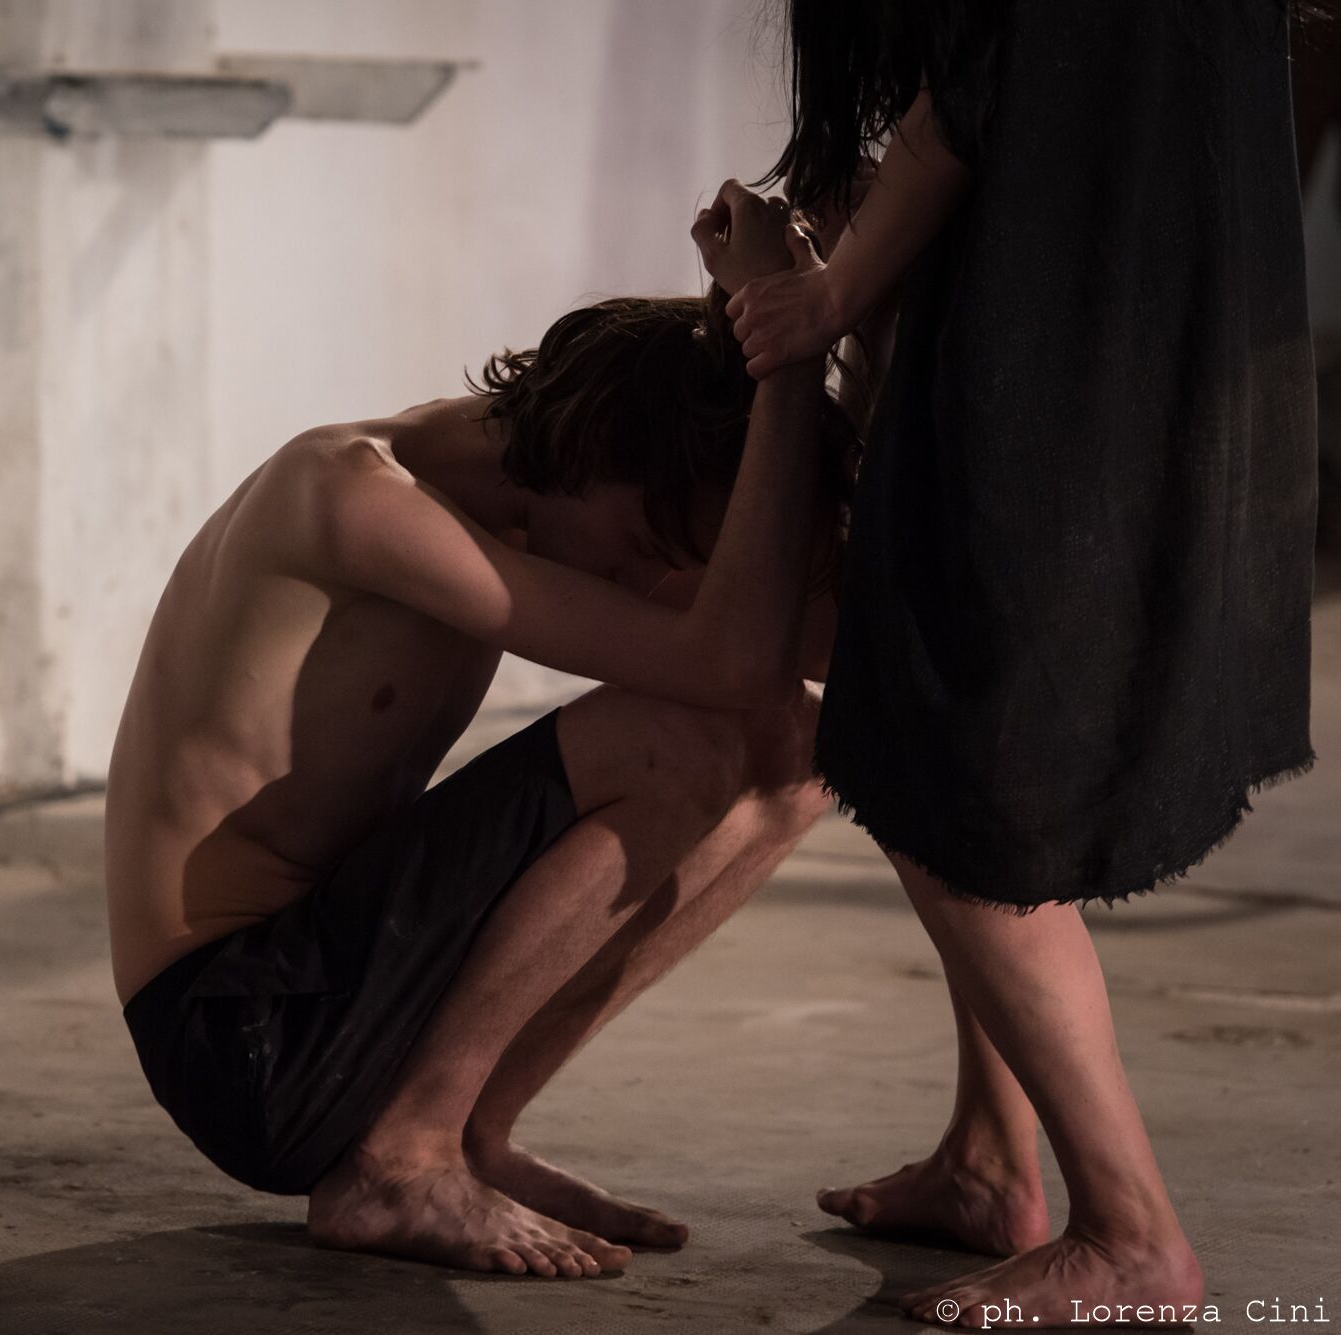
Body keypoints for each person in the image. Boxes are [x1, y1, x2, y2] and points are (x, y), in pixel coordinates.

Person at [104, 182, 848, 1278]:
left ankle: (466, 1133)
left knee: (798, 751)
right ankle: (398, 1160)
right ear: (586, 453)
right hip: (241, 1030)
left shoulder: (550, 505)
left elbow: (823, 649)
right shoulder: (347, 495)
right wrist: (787, 353)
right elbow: (728, 660)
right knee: (682, 735)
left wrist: (860, 331)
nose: (646, 578)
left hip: (333, 1001)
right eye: (645, 546)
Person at [727, 2, 1318, 1327]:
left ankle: (1132, 1233)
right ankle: (990, 1156)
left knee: (963, 762)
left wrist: (827, 293)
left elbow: (981, 83)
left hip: (1071, 347)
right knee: (937, 743)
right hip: (1122, 310)